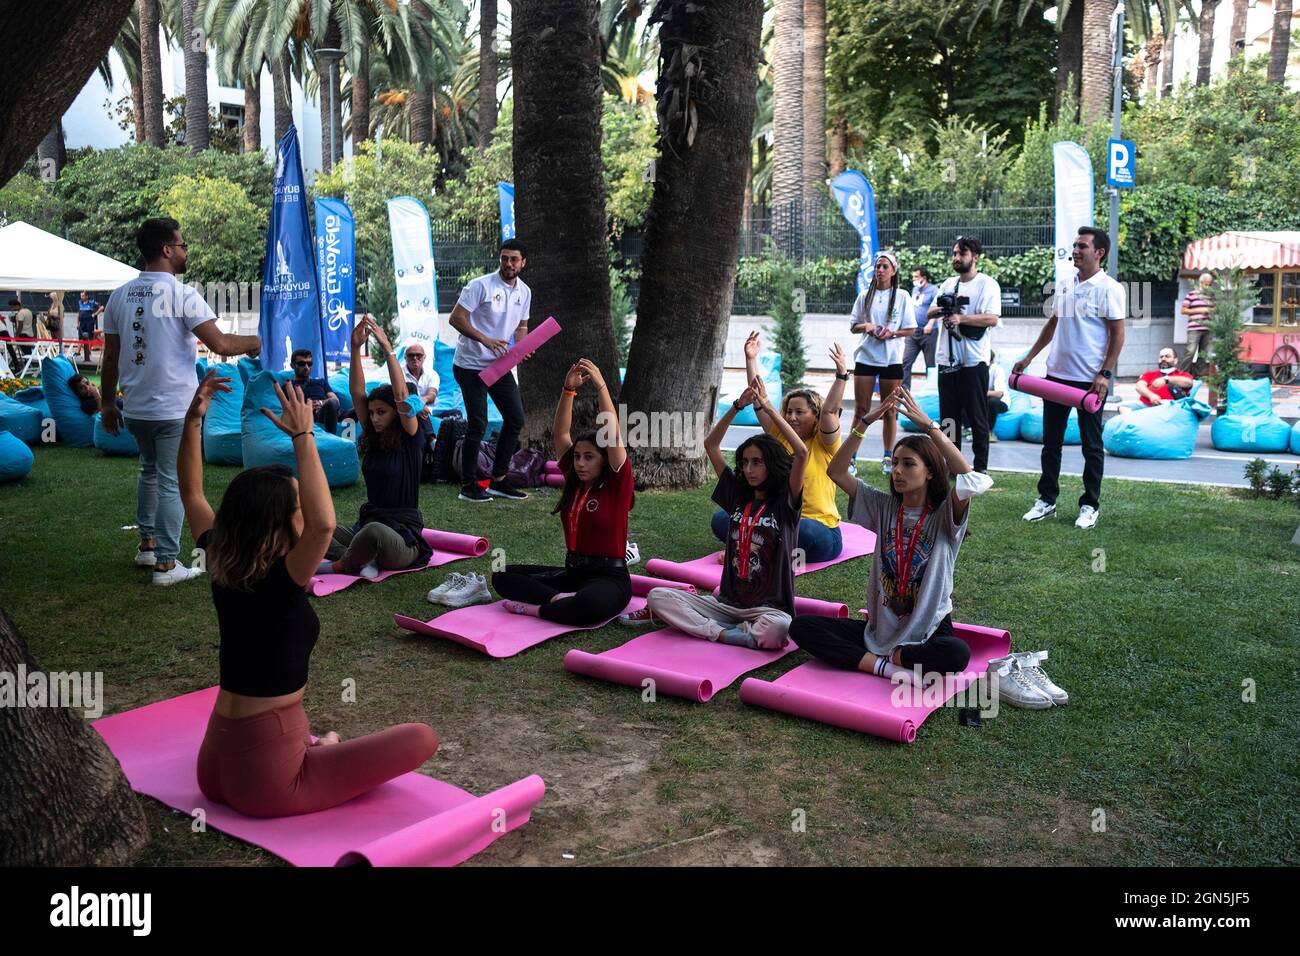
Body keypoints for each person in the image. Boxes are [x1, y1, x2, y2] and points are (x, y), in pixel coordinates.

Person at [180, 370, 438, 818]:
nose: (307, 513)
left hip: (215, 761)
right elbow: (322, 524)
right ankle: (320, 750)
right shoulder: (285, 575)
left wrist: (194, 420)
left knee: (328, 744)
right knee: (422, 739)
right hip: (268, 776)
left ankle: (320, 747)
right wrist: (303, 434)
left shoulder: (223, 558)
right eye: (297, 506)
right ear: (281, 522)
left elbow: (191, 493)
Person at [790, 388, 992, 684]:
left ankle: (897, 658)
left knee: (957, 654)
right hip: (881, 630)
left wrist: (929, 427)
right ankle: (882, 666)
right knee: (801, 628)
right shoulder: (884, 506)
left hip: (928, 630)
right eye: (895, 462)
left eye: (908, 464)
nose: (897, 471)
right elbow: (836, 471)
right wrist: (864, 423)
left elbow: (971, 478)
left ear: (931, 472)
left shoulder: (946, 514)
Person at [100, 217, 262, 585]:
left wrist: (108, 404)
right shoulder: (182, 294)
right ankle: (167, 564)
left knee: (149, 471)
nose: (187, 251)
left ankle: (147, 545)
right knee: (171, 480)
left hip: (136, 406)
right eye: (183, 244)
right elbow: (221, 345)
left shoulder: (119, 295)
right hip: (174, 408)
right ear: (167, 250)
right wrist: (258, 341)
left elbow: (110, 358)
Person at [643, 375, 807, 648]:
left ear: (773, 465)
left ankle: (732, 630)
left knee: (779, 629)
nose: (749, 470)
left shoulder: (786, 502)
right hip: (724, 605)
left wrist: (766, 406)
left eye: (757, 463)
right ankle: (725, 634)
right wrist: (736, 406)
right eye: (744, 463)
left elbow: (801, 453)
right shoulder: (737, 495)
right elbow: (711, 445)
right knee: (658, 595)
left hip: (767, 609)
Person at [491, 358, 635, 625]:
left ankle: (540, 608)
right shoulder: (576, 483)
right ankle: (558, 601)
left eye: (589, 457)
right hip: (573, 574)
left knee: (590, 603)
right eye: (577, 456)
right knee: (501, 574)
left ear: (605, 460)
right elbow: (560, 434)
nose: (580, 463)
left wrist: (601, 386)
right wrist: (568, 391)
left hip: (609, 578)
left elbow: (613, 434)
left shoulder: (616, 485)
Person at [1016, 226, 1126, 530]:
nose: (1075, 251)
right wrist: (1029, 357)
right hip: (1056, 376)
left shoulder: (1110, 288)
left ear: (1099, 252)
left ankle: (1090, 505)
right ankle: (1046, 500)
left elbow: (1118, 334)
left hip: (1089, 381)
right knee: (1051, 443)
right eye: (1075, 246)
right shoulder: (1065, 284)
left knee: (1092, 445)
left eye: (1082, 246)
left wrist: (1104, 374)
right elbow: (1053, 323)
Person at [707, 331, 847, 563]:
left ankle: (752, 546)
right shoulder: (778, 435)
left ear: (816, 415)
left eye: (799, 412)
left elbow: (831, 410)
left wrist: (842, 376)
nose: (791, 417)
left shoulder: (825, 443)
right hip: (775, 520)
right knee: (722, 519)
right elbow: (757, 396)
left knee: (805, 532)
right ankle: (763, 545)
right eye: (788, 411)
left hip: (819, 529)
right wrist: (751, 359)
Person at [319, 316, 434, 580]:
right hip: (368, 524)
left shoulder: (410, 436)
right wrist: (355, 348)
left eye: (381, 412)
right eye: (371, 413)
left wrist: (387, 348)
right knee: (316, 526)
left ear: (396, 413)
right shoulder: (373, 434)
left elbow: (402, 396)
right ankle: (362, 559)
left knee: (373, 534)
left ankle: (342, 565)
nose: (374, 418)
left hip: (401, 539)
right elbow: (357, 392)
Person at [448, 239, 531, 502]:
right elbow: (456, 318)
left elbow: (521, 325)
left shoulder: (525, 291)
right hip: (470, 364)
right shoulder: (480, 285)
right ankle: (468, 486)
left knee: (515, 418)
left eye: (514, 259)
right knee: (478, 423)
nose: (508, 263)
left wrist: (522, 346)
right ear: (500, 259)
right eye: (504, 258)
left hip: (499, 365)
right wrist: (485, 339)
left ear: (523, 263)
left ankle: (498, 480)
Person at [929, 236, 1002, 474]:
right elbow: (929, 312)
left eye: (962, 254)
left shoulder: (986, 284)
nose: (957, 258)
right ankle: (953, 466)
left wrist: (961, 318)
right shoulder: (948, 284)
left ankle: (980, 469)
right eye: (954, 254)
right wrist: (943, 310)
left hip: (973, 362)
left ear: (975, 257)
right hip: (946, 361)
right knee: (949, 420)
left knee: (977, 417)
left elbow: (992, 318)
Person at [850, 250, 915, 474]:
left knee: (889, 409)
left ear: (893, 271)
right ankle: (851, 457)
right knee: (861, 409)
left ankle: (888, 458)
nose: (879, 270)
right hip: (866, 357)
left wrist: (892, 334)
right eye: (877, 266)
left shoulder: (903, 296)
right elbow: (853, 325)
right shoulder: (864, 296)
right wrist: (867, 327)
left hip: (891, 360)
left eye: (884, 266)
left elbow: (911, 328)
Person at [1179, 272, 1216, 409]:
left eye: (1209, 284)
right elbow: (1183, 310)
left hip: (1208, 327)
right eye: (1205, 283)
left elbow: (1215, 309)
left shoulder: (1211, 296)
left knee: (1203, 353)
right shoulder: (1192, 294)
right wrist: (1201, 309)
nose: (1207, 286)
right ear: (1200, 283)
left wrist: (1211, 311)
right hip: (1194, 327)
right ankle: (1182, 374)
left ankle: (1198, 378)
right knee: (1190, 351)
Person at [901, 266, 939, 392]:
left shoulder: (933, 290)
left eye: (916, 277)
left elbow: (937, 308)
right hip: (913, 332)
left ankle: (931, 390)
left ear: (924, 278)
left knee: (930, 364)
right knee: (906, 361)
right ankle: (905, 390)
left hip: (928, 332)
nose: (914, 279)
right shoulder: (915, 290)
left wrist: (930, 324)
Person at [289, 347, 341, 435]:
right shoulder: (289, 386)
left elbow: (335, 400)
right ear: (292, 365)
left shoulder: (321, 381)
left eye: (309, 364)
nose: (306, 367)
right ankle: (331, 438)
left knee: (359, 408)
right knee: (331, 403)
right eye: (301, 363)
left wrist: (321, 402)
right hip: (313, 415)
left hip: (333, 410)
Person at [401, 343, 440, 412]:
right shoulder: (399, 374)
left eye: (418, 355)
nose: (415, 358)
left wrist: (421, 402)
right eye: (411, 355)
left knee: (456, 414)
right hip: (408, 410)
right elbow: (400, 396)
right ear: (405, 357)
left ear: (424, 357)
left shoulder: (432, 374)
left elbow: (432, 394)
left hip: (430, 410)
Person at [77, 291, 104, 363]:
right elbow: (79, 313)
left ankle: (88, 352)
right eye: (81, 296)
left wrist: (95, 314)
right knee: (80, 337)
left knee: (89, 337)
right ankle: (78, 352)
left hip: (89, 322)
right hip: (82, 322)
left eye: (83, 296)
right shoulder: (80, 302)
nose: (81, 297)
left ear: (86, 296)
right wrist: (78, 323)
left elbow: (102, 308)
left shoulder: (92, 302)